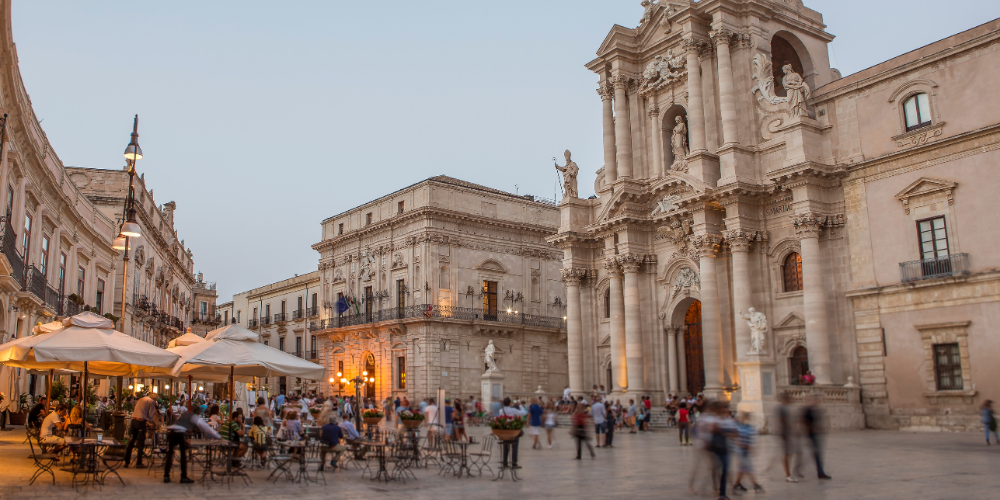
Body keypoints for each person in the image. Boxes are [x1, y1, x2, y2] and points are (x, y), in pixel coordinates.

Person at [163, 405, 219, 483]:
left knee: (170, 454)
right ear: (199, 413)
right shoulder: (195, 417)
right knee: (183, 455)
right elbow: (206, 428)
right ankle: (183, 477)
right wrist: (217, 436)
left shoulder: (185, 414)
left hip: (172, 432)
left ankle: (166, 476)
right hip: (180, 433)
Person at [706, 401, 738, 500]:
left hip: (724, 448)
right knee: (716, 469)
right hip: (714, 448)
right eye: (723, 407)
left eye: (725, 407)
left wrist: (724, 432)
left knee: (725, 469)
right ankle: (716, 488)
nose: (724, 410)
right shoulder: (713, 419)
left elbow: (735, 433)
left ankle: (722, 493)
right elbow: (710, 431)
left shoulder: (729, 421)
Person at [732, 412, 765, 494]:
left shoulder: (749, 427)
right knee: (748, 468)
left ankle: (736, 485)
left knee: (743, 469)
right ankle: (755, 485)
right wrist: (740, 444)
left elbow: (752, 438)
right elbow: (736, 438)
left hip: (745, 451)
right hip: (741, 451)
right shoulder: (739, 427)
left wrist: (752, 447)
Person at [124, 393, 159, 468]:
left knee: (131, 441)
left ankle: (126, 462)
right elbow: (151, 415)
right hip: (140, 422)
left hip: (133, 421)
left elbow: (140, 412)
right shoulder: (151, 402)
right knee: (141, 442)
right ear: (154, 399)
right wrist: (152, 422)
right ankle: (139, 462)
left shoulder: (141, 399)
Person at [802, 394, 832, 480]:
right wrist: (812, 429)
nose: (818, 401)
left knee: (816, 454)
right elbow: (804, 421)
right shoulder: (808, 410)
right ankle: (820, 472)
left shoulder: (815, 409)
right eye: (816, 400)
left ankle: (820, 472)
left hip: (815, 435)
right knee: (815, 454)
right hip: (811, 435)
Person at [498, 397, 527, 468]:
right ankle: (514, 463)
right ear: (510, 403)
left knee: (505, 446)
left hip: (505, 431)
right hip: (513, 430)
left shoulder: (501, 411)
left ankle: (505, 463)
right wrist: (520, 405)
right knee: (514, 446)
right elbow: (524, 413)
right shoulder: (513, 410)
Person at [776, 392, 798, 482]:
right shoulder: (782, 409)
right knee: (786, 454)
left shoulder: (784, 408)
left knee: (789, 453)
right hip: (785, 433)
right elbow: (783, 421)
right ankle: (788, 474)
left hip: (786, 433)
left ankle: (788, 473)